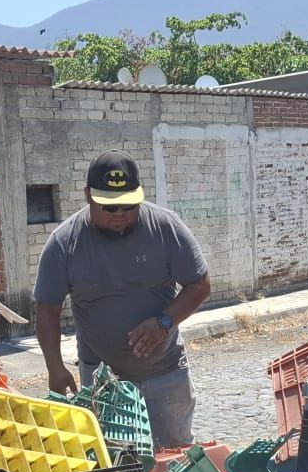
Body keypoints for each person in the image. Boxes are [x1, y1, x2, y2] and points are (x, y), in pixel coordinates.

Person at [34, 151, 212, 448]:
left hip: (164, 374)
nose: (120, 215)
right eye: (110, 207)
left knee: (175, 455)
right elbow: (48, 309)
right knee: (116, 465)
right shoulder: (64, 243)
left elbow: (200, 284)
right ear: (88, 195)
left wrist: (164, 322)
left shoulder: (165, 227)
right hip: (104, 382)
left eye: (128, 206)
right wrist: (55, 366)